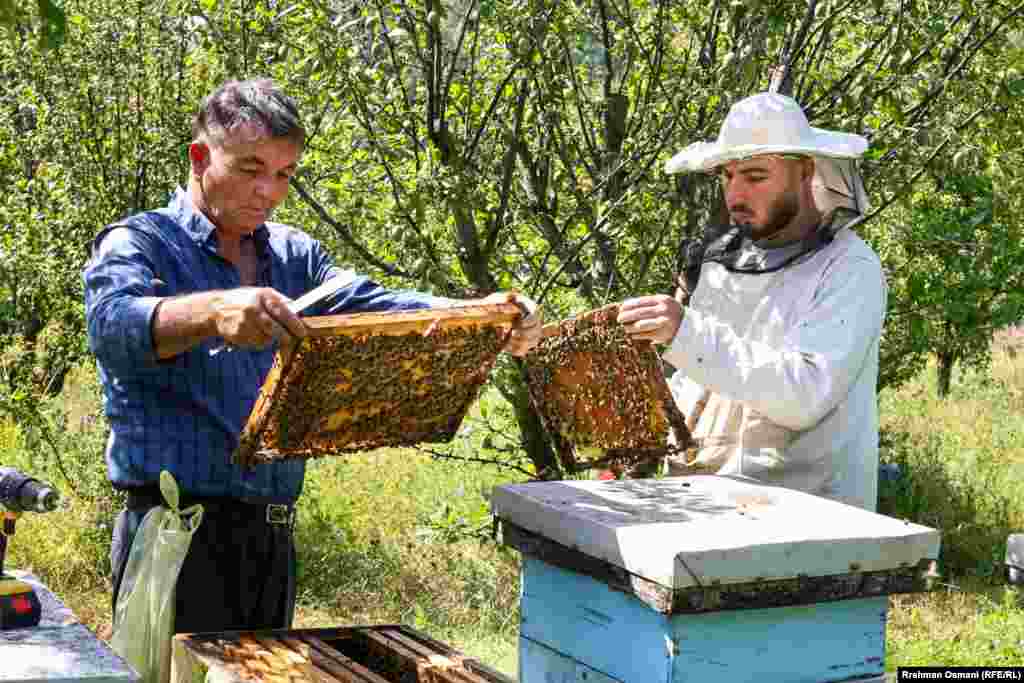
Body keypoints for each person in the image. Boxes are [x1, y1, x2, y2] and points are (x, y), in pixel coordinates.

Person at [83, 78, 542, 633]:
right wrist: (212, 312)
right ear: (201, 157)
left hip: (272, 535)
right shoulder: (140, 242)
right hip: (173, 534)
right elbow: (112, 326)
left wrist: (479, 314)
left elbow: (373, 304)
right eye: (251, 169)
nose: (268, 192)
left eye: (284, 175)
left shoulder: (294, 254)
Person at [617, 92, 886, 511]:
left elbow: (803, 395)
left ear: (805, 172)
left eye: (756, 177)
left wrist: (685, 332)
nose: (735, 195)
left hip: (809, 517)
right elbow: (699, 384)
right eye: (727, 177)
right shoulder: (723, 261)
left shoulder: (850, 269)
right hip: (702, 503)